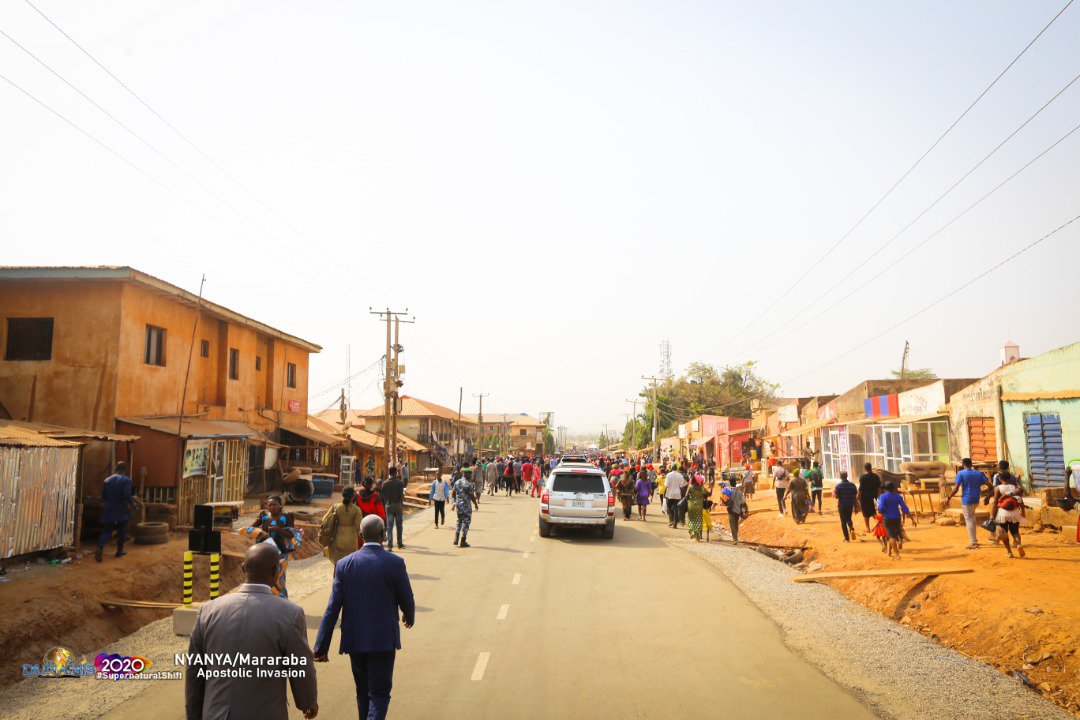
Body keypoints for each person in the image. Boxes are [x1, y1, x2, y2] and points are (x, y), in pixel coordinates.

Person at [186, 542, 318, 720]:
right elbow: (301, 665)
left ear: (242, 568)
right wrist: (307, 702)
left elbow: (194, 671)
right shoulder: (290, 614)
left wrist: (194, 716)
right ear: (276, 571)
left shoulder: (208, 610)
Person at [314, 516, 415, 720]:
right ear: (383, 534)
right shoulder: (395, 563)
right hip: (383, 640)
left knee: (362, 692)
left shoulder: (344, 565)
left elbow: (333, 608)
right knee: (379, 694)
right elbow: (406, 596)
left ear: (360, 536)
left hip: (355, 640)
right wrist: (408, 614)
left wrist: (321, 646)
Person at [240, 495, 301, 598]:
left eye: (275, 504)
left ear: (280, 505)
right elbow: (251, 528)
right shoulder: (264, 516)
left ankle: (282, 600)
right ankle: (269, 598)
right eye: (270, 505)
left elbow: (291, 535)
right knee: (265, 576)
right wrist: (262, 533)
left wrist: (278, 530)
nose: (272, 507)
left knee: (279, 577)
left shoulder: (286, 517)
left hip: (281, 553)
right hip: (265, 552)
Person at [943, 458, 991, 549]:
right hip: (976, 499)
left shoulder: (960, 473)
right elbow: (989, 484)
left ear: (963, 464)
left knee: (969, 520)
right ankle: (974, 540)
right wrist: (988, 496)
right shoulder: (978, 473)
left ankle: (974, 542)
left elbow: (956, 488)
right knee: (971, 518)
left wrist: (949, 497)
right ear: (971, 464)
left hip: (967, 499)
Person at [96, 461, 138, 563]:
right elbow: (125, 494)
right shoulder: (126, 480)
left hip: (109, 508)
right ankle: (119, 551)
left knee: (107, 530)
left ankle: (100, 547)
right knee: (122, 530)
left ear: (116, 469)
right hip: (121, 509)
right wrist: (132, 503)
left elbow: (103, 496)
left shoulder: (107, 480)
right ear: (124, 470)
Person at [322, 486, 364, 569]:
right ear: (353, 497)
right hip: (352, 542)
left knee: (338, 566)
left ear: (342, 495)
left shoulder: (335, 507)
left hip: (337, 541)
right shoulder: (356, 510)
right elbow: (360, 527)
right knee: (350, 566)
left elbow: (324, 520)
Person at [990, 461, 1026, 558]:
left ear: (1000, 478)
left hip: (1002, 513)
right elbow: (1020, 500)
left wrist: (992, 515)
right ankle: (1018, 544)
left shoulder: (998, 488)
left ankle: (1009, 552)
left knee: (1004, 533)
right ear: (1010, 478)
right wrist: (1023, 511)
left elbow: (994, 502)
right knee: (1015, 532)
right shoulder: (1014, 488)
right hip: (1014, 512)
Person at [877, 481, 916, 560]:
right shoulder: (898, 496)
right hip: (897, 518)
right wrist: (912, 519)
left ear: (885, 489)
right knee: (893, 535)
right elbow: (904, 508)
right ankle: (890, 551)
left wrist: (881, 511)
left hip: (887, 518)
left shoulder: (883, 496)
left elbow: (880, 508)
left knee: (891, 536)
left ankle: (897, 554)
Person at [452, 468, 479, 547]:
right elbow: (472, 496)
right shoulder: (468, 484)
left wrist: (454, 502)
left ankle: (456, 538)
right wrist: (475, 504)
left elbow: (453, 493)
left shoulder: (457, 482)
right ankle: (463, 541)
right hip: (466, 506)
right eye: (470, 474)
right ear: (466, 474)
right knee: (466, 523)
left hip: (459, 506)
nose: (471, 476)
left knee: (459, 521)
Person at [381, 467, 406, 551]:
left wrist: (387, 501)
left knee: (389, 526)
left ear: (389, 472)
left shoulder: (385, 483)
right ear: (396, 472)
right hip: (398, 505)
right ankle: (399, 543)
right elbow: (401, 496)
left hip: (389, 506)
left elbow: (383, 495)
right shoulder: (400, 483)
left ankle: (390, 546)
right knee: (399, 525)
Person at [721, 477, 748, 544]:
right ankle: (735, 537)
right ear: (736, 483)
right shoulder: (740, 492)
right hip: (738, 510)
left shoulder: (728, 491)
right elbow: (742, 502)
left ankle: (735, 538)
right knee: (736, 523)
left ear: (730, 483)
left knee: (732, 524)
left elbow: (724, 500)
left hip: (731, 510)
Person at [832, 470, 858, 541]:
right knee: (849, 518)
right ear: (847, 476)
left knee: (843, 521)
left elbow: (837, 496)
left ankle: (846, 538)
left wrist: (835, 493)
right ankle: (851, 528)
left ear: (840, 477)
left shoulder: (838, 486)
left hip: (842, 505)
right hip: (850, 504)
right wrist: (856, 507)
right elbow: (855, 496)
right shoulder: (852, 485)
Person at [856, 463, 882, 533]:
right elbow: (879, 487)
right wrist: (880, 496)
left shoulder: (863, 477)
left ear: (864, 469)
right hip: (874, 496)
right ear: (871, 468)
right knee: (873, 511)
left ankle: (868, 528)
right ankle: (878, 523)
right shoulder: (876, 476)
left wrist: (857, 497)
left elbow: (861, 489)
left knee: (865, 513)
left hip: (865, 498)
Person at [684, 476, 708, 541]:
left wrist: (689, 498)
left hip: (691, 504)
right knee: (698, 519)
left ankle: (691, 531)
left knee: (691, 518)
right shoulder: (702, 488)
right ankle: (697, 536)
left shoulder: (690, 487)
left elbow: (686, 496)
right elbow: (708, 494)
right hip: (699, 505)